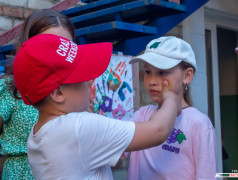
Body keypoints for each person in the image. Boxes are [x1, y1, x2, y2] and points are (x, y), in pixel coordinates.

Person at [13, 33, 181, 179]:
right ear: (58, 93)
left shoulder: (38, 133)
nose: (89, 82)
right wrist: (171, 99)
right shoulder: (79, 128)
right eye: (83, 78)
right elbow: (158, 130)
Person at [127, 36, 217, 180]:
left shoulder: (199, 123)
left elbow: (207, 175)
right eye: (148, 72)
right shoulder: (142, 115)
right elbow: (114, 150)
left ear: (187, 76)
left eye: (162, 72)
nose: (152, 81)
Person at [0, 9, 75, 180]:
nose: (58, 53)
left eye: (65, 46)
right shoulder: (9, 88)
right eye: (49, 44)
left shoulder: (78, 89)